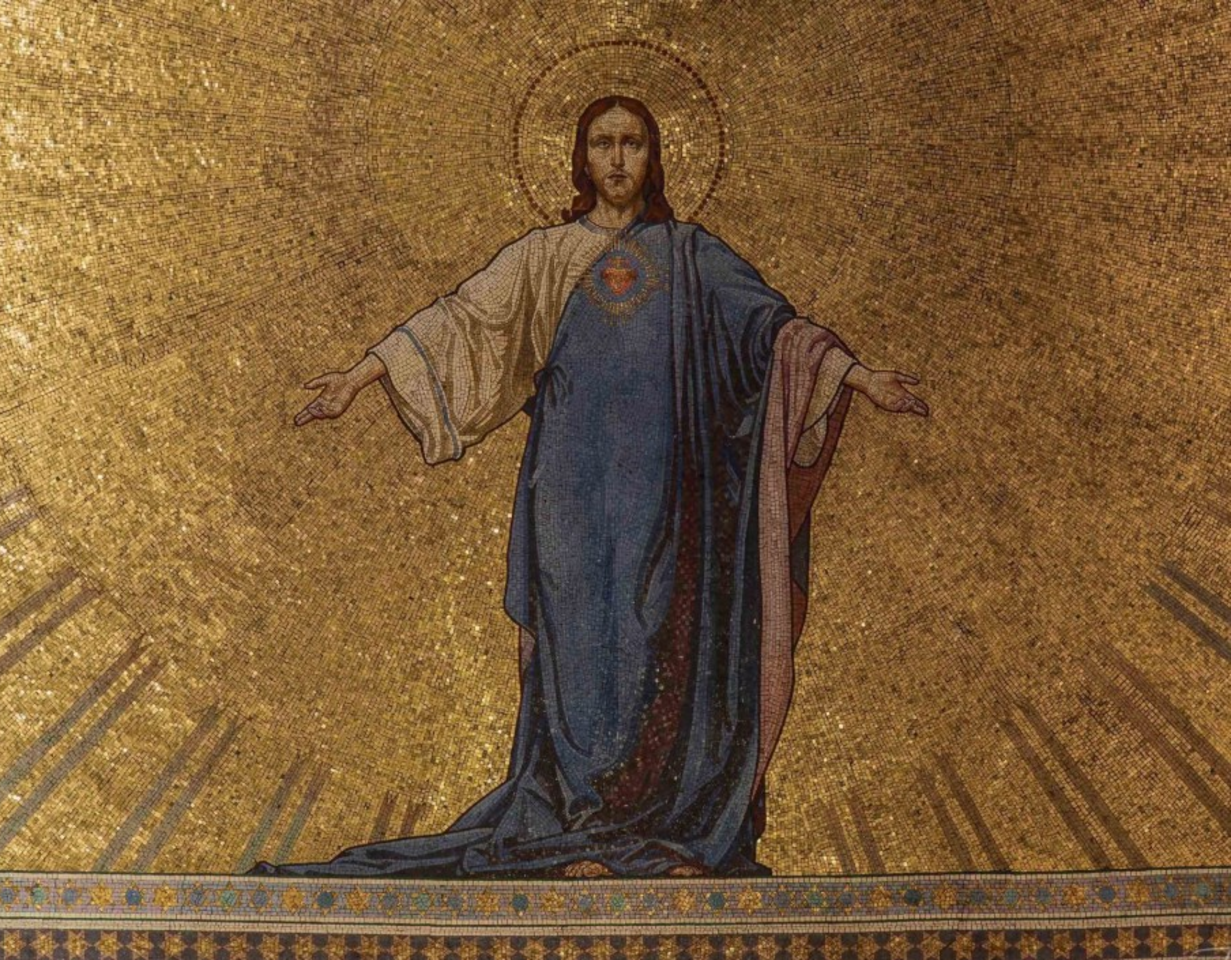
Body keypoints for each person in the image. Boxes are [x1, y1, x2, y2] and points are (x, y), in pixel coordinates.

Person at [251, 95, 928, 880]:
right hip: (569, 488)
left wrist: (860, 376)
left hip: (667, 497)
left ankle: (658, 828)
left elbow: (772, 330)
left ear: (653, 157)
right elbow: (459, 321)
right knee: (577, 649)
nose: (616, 159)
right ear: (580, 159)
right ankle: (578, 825)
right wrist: (359, 377)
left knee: (655, 643)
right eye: (602, 144)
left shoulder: (690, 255)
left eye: (632, 143)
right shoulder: (547, 256)